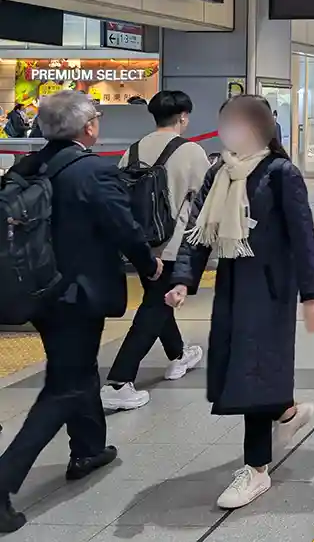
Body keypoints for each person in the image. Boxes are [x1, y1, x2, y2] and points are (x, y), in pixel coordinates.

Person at [0, 91, 162, 534]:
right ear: (87, 127)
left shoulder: (26, 168)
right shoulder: (93, 169)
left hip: (38, 289)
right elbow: (123, 227)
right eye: (96, 117)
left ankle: (89, 449)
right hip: (78, 293)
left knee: (75, 367)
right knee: (64, 387)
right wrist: (150, 266)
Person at [166, 94, 314, 511]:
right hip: (234, 283)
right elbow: (199, 231)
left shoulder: (280, 173)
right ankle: (286, 411)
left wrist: (311, 296)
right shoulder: (221, 172)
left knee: (251, 371)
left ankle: (256, 470)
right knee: (241, 366)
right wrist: (183, 280)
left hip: (270, 289)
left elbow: (304, 239)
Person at [102, 90, 212, 412]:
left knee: (156, 301)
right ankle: (119, 382)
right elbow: (208, 196)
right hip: (173, 244)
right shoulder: (191, 151)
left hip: (141, 245)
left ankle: (179, 355)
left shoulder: (132, 151)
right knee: (153, 309)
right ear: (182, 117)